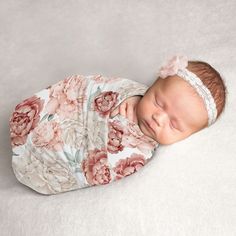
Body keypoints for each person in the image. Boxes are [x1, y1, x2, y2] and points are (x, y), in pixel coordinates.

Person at [110, 55, 227, 145]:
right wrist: (132, 95)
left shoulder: (147, 154)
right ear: (153, 85)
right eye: (158, 103)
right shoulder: (131, 100)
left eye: (173, 125)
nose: (158, 119)